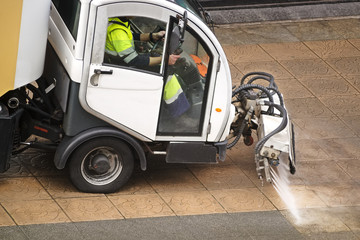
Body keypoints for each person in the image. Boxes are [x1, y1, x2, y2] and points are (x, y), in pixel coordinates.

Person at [105, 17, 180, 68]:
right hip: (123, 67)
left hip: (123, 63)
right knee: (166, 71)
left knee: (155, 55)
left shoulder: (119, 21)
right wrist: (164, 60)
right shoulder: (118, 32)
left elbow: (131, 36)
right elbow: (133, 60)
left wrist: (152, 36)